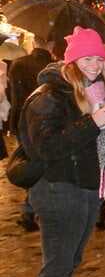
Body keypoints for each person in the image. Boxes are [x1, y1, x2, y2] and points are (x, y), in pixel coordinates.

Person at [21, 27, 105, 277]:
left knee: (68, 264)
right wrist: (91, 123)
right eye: (86, 58)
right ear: (71, 61)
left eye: (98, 59)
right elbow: (47, 147)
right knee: (57, 265)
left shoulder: (93, 93)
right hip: (57, 188)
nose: (93, 65)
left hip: (83, 188)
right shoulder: (49, 96)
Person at [9, 37, 56, 232]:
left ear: (34, 41)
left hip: (21, 121)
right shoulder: (51, 67)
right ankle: (31, 210)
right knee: (41, 165)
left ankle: (29, 210)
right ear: (51, 44)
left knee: (32, 163)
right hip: (43, 122)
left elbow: (15, 96)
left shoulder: (17, 64)